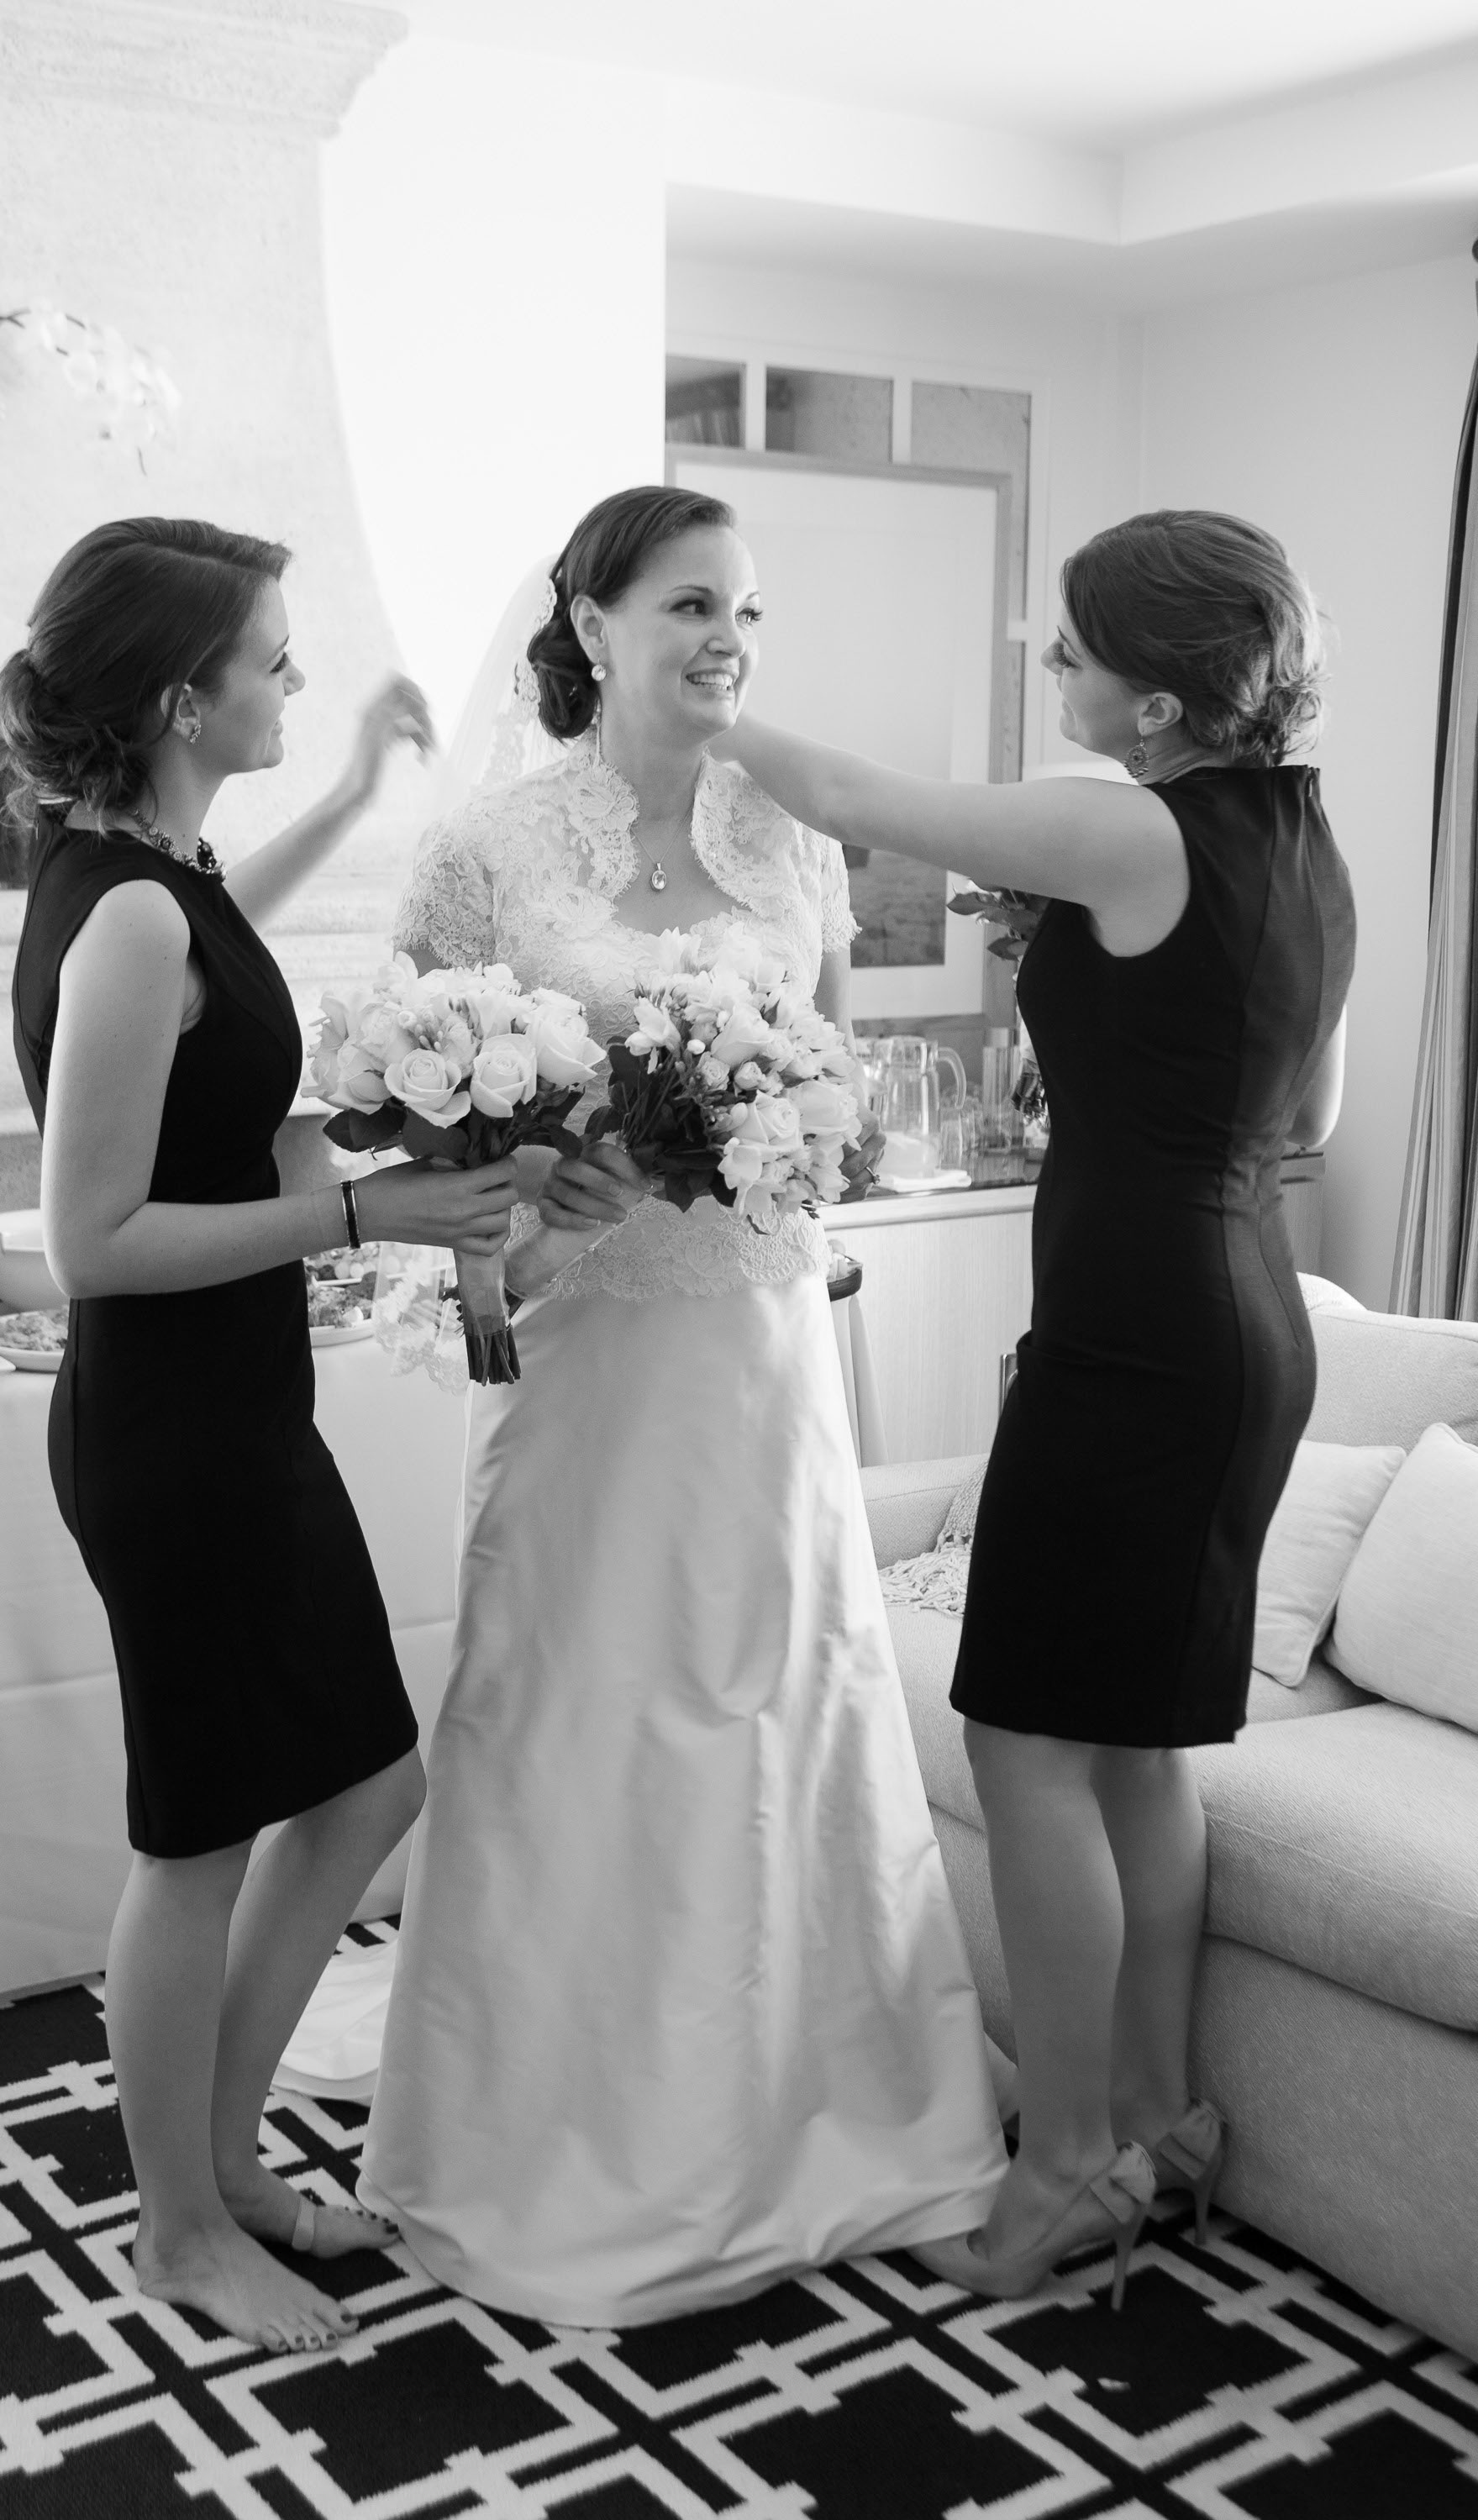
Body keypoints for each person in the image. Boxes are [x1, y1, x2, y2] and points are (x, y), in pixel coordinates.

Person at [351, 484, 1007, 2326]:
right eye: (692, 604)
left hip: (756, 1347)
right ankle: (546, 2127)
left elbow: (843, 1106)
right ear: (591, 622)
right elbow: (411, 1136)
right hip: (576, 1355)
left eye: (748, 611)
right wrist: (536, 1213)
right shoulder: (486, 851)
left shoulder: (794, 845)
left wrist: (770, 1144)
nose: (729, 638)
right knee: (577, 1706)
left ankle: (825, 2106)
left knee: (778, 1695)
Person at [712, 508, 1354, 2304]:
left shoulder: (1122, 824)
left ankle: (1070, 2163)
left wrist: (700, 703)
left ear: (1153, 702)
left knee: (1026, 1746)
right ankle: (1156, 2119)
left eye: (1066, 651)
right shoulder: (1299, 836)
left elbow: (854, 793)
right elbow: (1274, 1103)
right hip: (1245, 1315)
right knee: (1136, 1748)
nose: (1045, 669)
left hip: (1140, 1334)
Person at [0, 517, 517, 2354]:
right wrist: (363, 1218)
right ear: (176, 693)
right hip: (175, 1435)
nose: (293, 680)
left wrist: (360, 777)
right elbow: (90, 1247)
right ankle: (179, 2230)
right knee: (199, 1839)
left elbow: (217, 932)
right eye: (275, 663)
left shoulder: (149, 867)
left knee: (366, 1784)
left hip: (231, 1415)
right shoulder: (129, 908)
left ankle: (215, 2157)